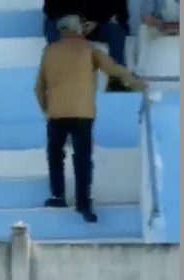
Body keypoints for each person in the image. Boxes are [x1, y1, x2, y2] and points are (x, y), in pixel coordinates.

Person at [35, 14, 145, 223]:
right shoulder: (89, 51)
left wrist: (47, 108)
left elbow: (39, 88)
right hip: (83, 112)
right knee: (83, 159)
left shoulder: (49, 52)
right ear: (79, 30)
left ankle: (58, 195)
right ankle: (83, 203)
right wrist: (138, 84)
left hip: (56, 113)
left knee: (56, 155)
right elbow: (115, 70)